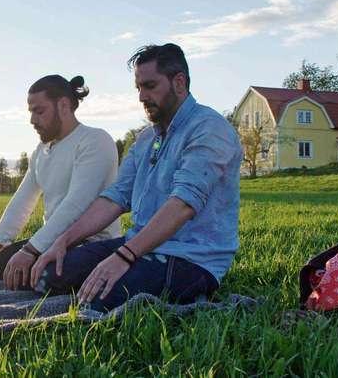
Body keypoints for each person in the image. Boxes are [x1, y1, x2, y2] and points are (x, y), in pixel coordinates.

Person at [29, 43, 243, 311]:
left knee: (101, 299)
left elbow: (184, 204)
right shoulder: (146, 138)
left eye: (150, 86)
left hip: (190, 258)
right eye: (138, 88)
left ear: (179, 83)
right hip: (137, 244)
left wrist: (124, 256)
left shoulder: (210, 129)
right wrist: (63, 241)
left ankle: (178, 289)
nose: (142, 96)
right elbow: (115, 198)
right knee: (47, 274)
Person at [0, 74, 121, 290]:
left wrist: (30, 250)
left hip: (92, 243)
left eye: (39, 111)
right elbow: (21, 202)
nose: (32, 120)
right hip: (50, 243)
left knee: (43, 279)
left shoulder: (95, 141)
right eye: (31, 112)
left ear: (63, 105)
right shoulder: (40, 152)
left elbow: (76, 205)